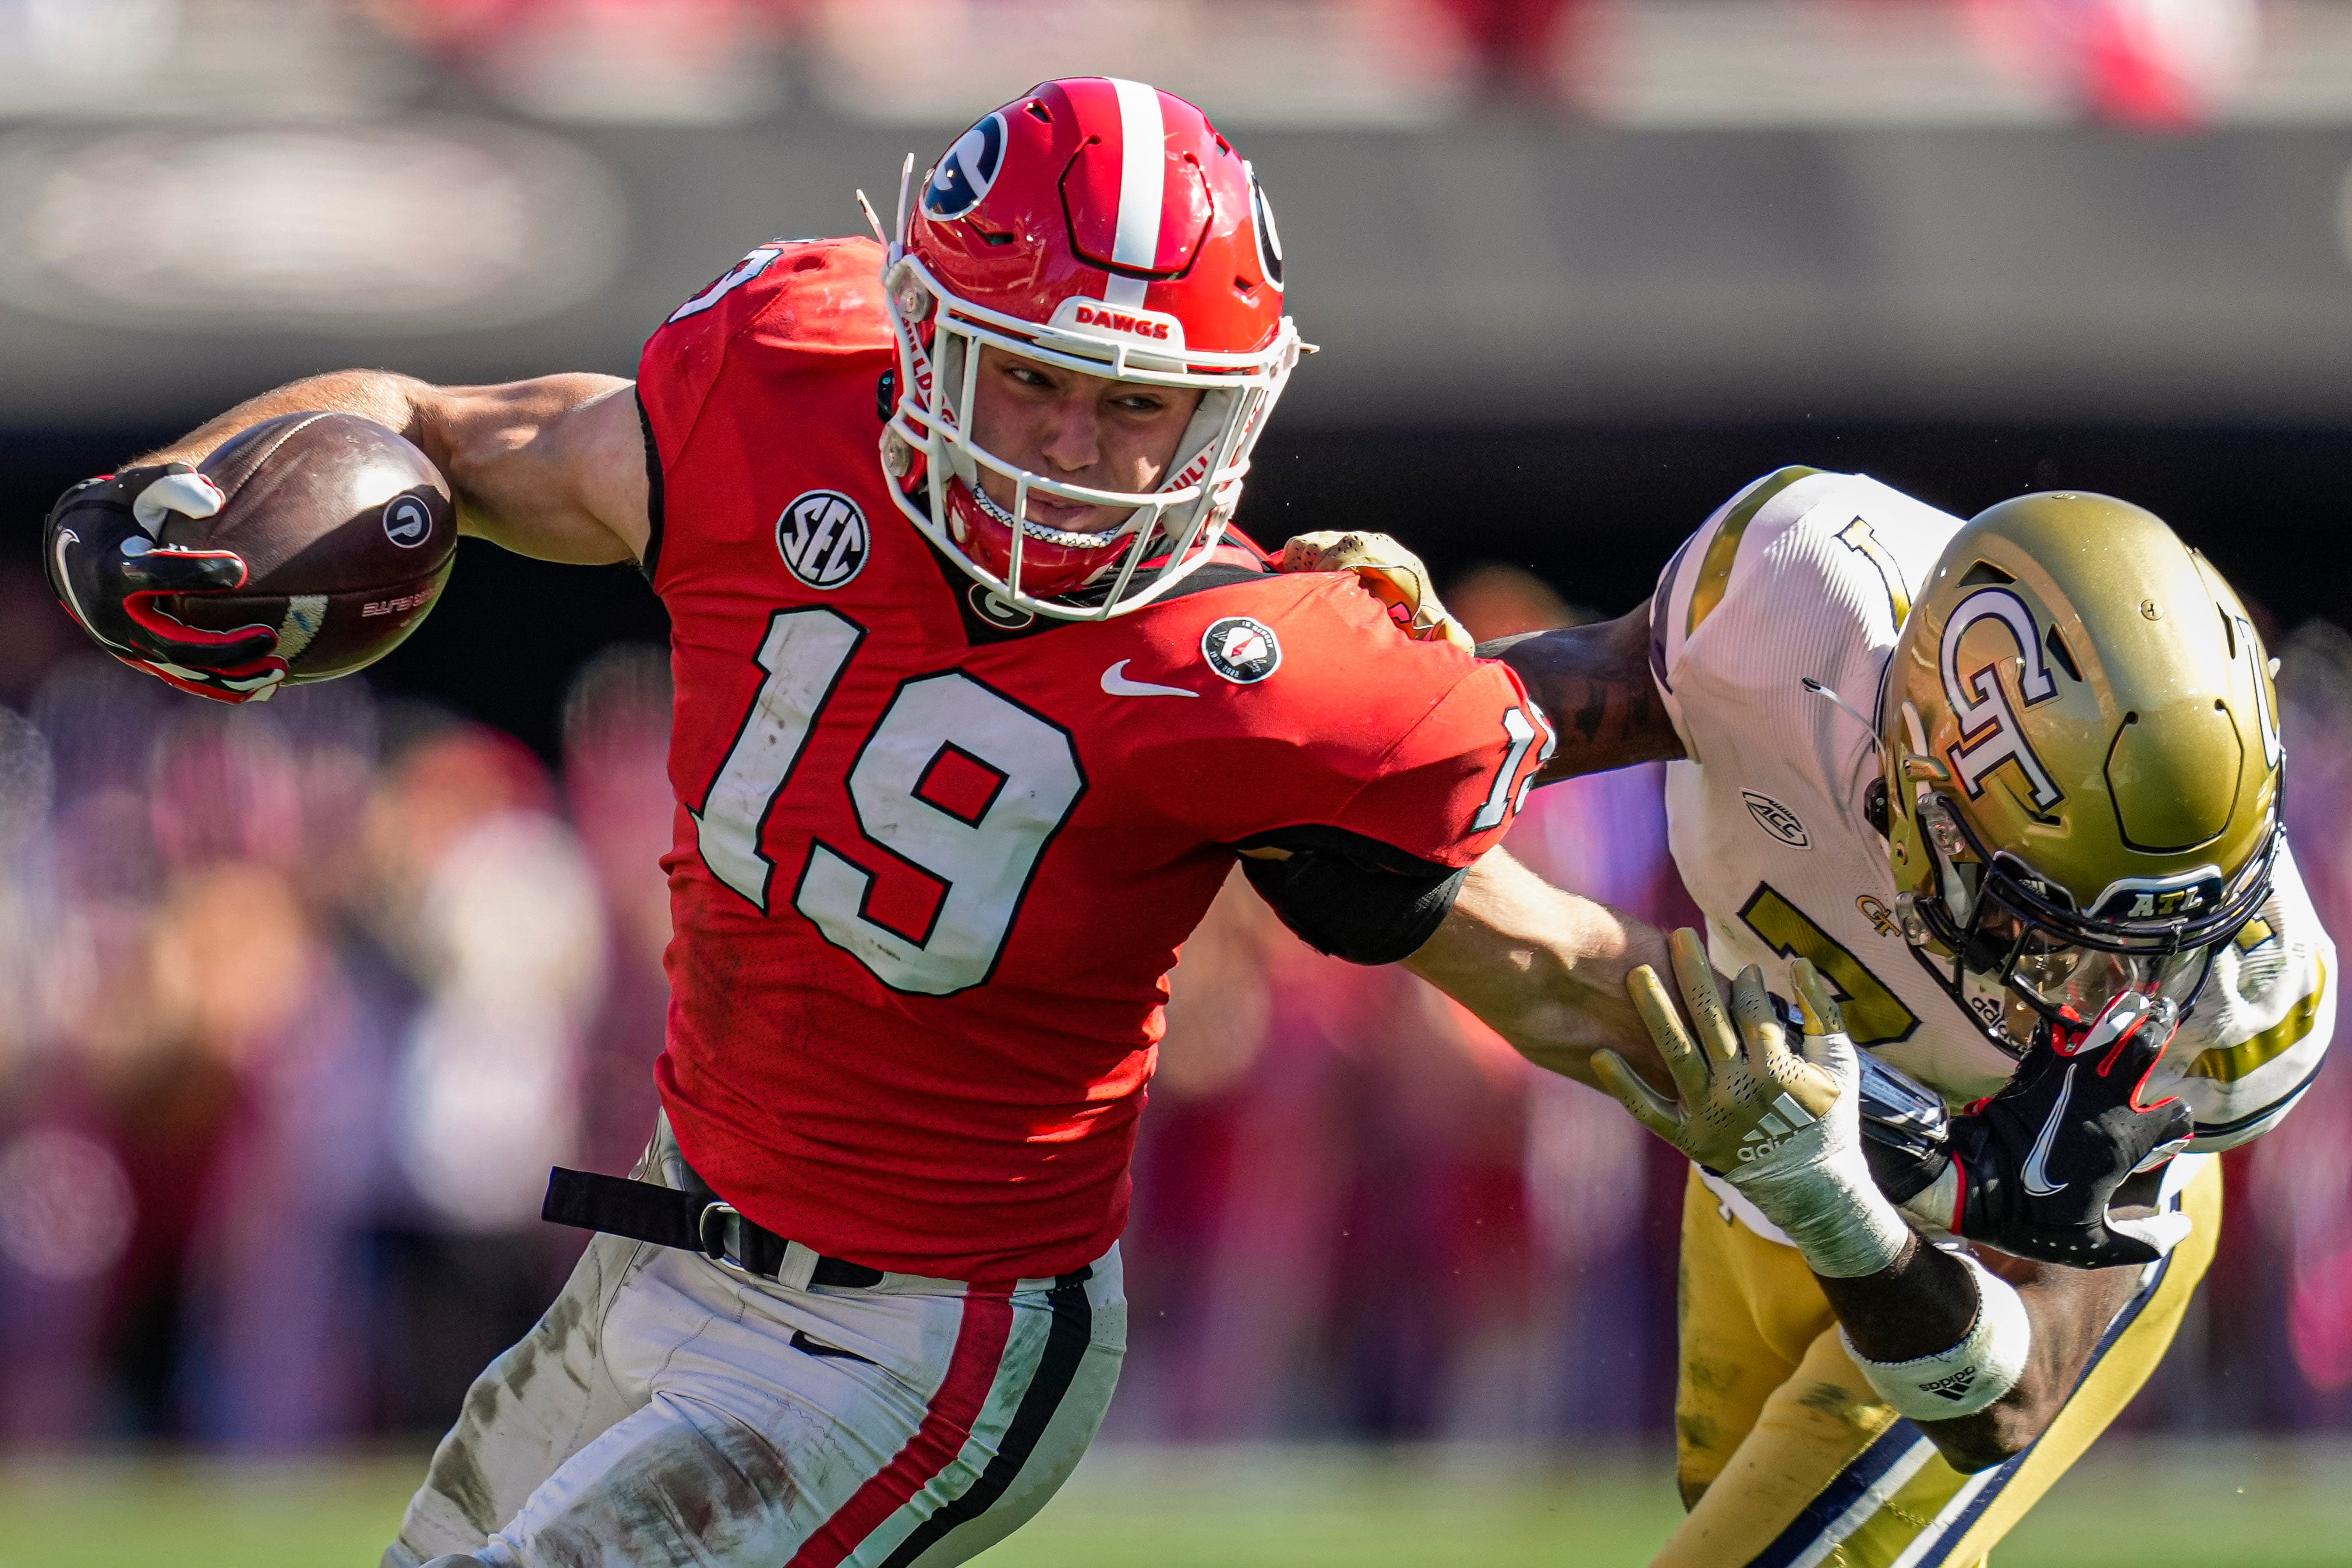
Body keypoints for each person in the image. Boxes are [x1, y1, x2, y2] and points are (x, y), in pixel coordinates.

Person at [41, 77, 1682, 1567]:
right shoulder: (779, 392)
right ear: (924, 328)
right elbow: (430, 425)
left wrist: (1811, 1114)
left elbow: (1550, 927)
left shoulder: (1271, 667)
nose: (1076, 454)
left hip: (927, 1335)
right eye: (1037, 377)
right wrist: (156, 506)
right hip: (673, 1232)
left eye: (1136, 406)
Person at [1463, 470, 2333, 1566]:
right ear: (1924, 787)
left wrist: (1845, 1208)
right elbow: (1500, 728)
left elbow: (1998, 1406)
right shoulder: (1792, 603)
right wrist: (1377, 694)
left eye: (2162, 930)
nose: (2110, 984)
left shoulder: (2244, 997)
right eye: (2054, 922)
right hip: (1751, 1162)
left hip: (1990, 1241)